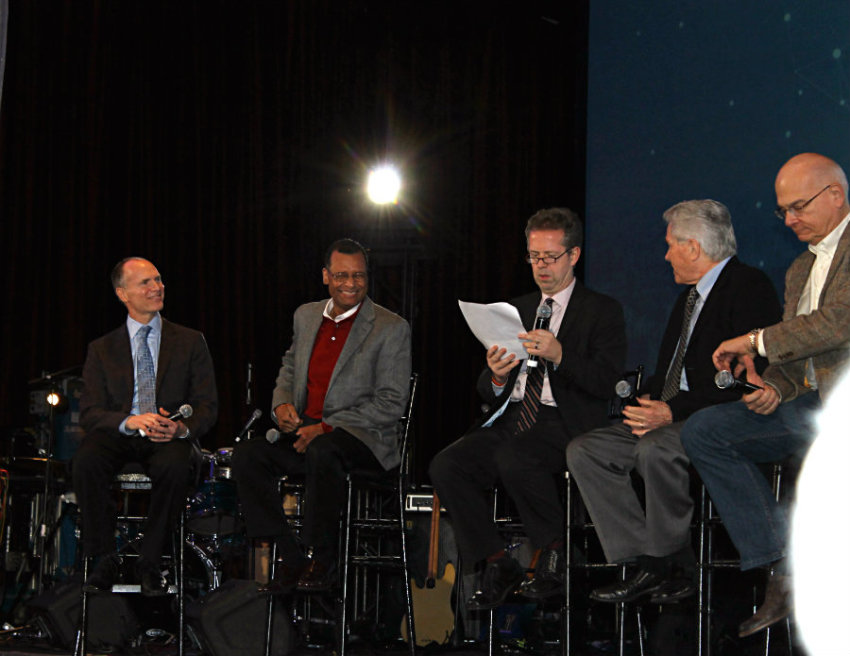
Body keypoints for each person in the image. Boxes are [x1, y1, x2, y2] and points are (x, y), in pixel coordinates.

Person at [566, 200, 781, 605]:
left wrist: (671, 411)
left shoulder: (748, 286)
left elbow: (742, 380)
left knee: (655, 448)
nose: (665, 255)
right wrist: (645, 398)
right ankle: (642, 560)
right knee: (586, 450)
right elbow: (673, 374)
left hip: (712, 421)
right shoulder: (689, 299)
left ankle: (669, 562)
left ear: (694, 247)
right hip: (672, 415)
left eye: (670, 245)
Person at [681, 153, 850, 637]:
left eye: (799, 206)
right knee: (707, 430)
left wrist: (755, 340)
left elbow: (838, 323)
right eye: (783, 211)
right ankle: (785, 567)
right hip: (812, 406)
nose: (790, 219)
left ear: (835, 195)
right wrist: (773, 385)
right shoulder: (800, 268)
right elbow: (800, 353)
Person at [428, 208, 627, 610]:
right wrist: (497, 374)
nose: (541, 266)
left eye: (550, 257)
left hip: (564, 421)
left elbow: (607, 384)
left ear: (574, 255)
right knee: (446, 465)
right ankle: (498, 562)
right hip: (514, 417)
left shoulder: (601, 310)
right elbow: (491, 388)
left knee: (515, 456)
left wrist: (561, 355)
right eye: (533, 256)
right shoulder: (517, 307)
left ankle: (553, 550)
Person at [231, 238, 411, 592]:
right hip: (306, 434)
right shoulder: (307, 315)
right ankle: (289, 553)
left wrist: (327, 427)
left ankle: (322, 555)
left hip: (362, 440)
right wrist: (281, 404)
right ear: (326, 276)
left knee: (323, 449)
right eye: (342, 275)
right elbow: (288, 367)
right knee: (248, 454)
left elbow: (391, 404)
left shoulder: (391, 328)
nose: (351, 283)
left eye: (359, 276)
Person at [75, 257, 218, 595]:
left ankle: (150, 561)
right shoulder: (101, 348)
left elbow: (207, 405)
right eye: (145, 283)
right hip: (120, 432)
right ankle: (103, 557)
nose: (157, 287)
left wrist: (181, 429)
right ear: (122, 293)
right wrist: (129, 420)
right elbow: (90, 412)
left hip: (168, 434)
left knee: (176, 464)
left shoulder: (190, 340)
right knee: (86, 461)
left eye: (158, 279)